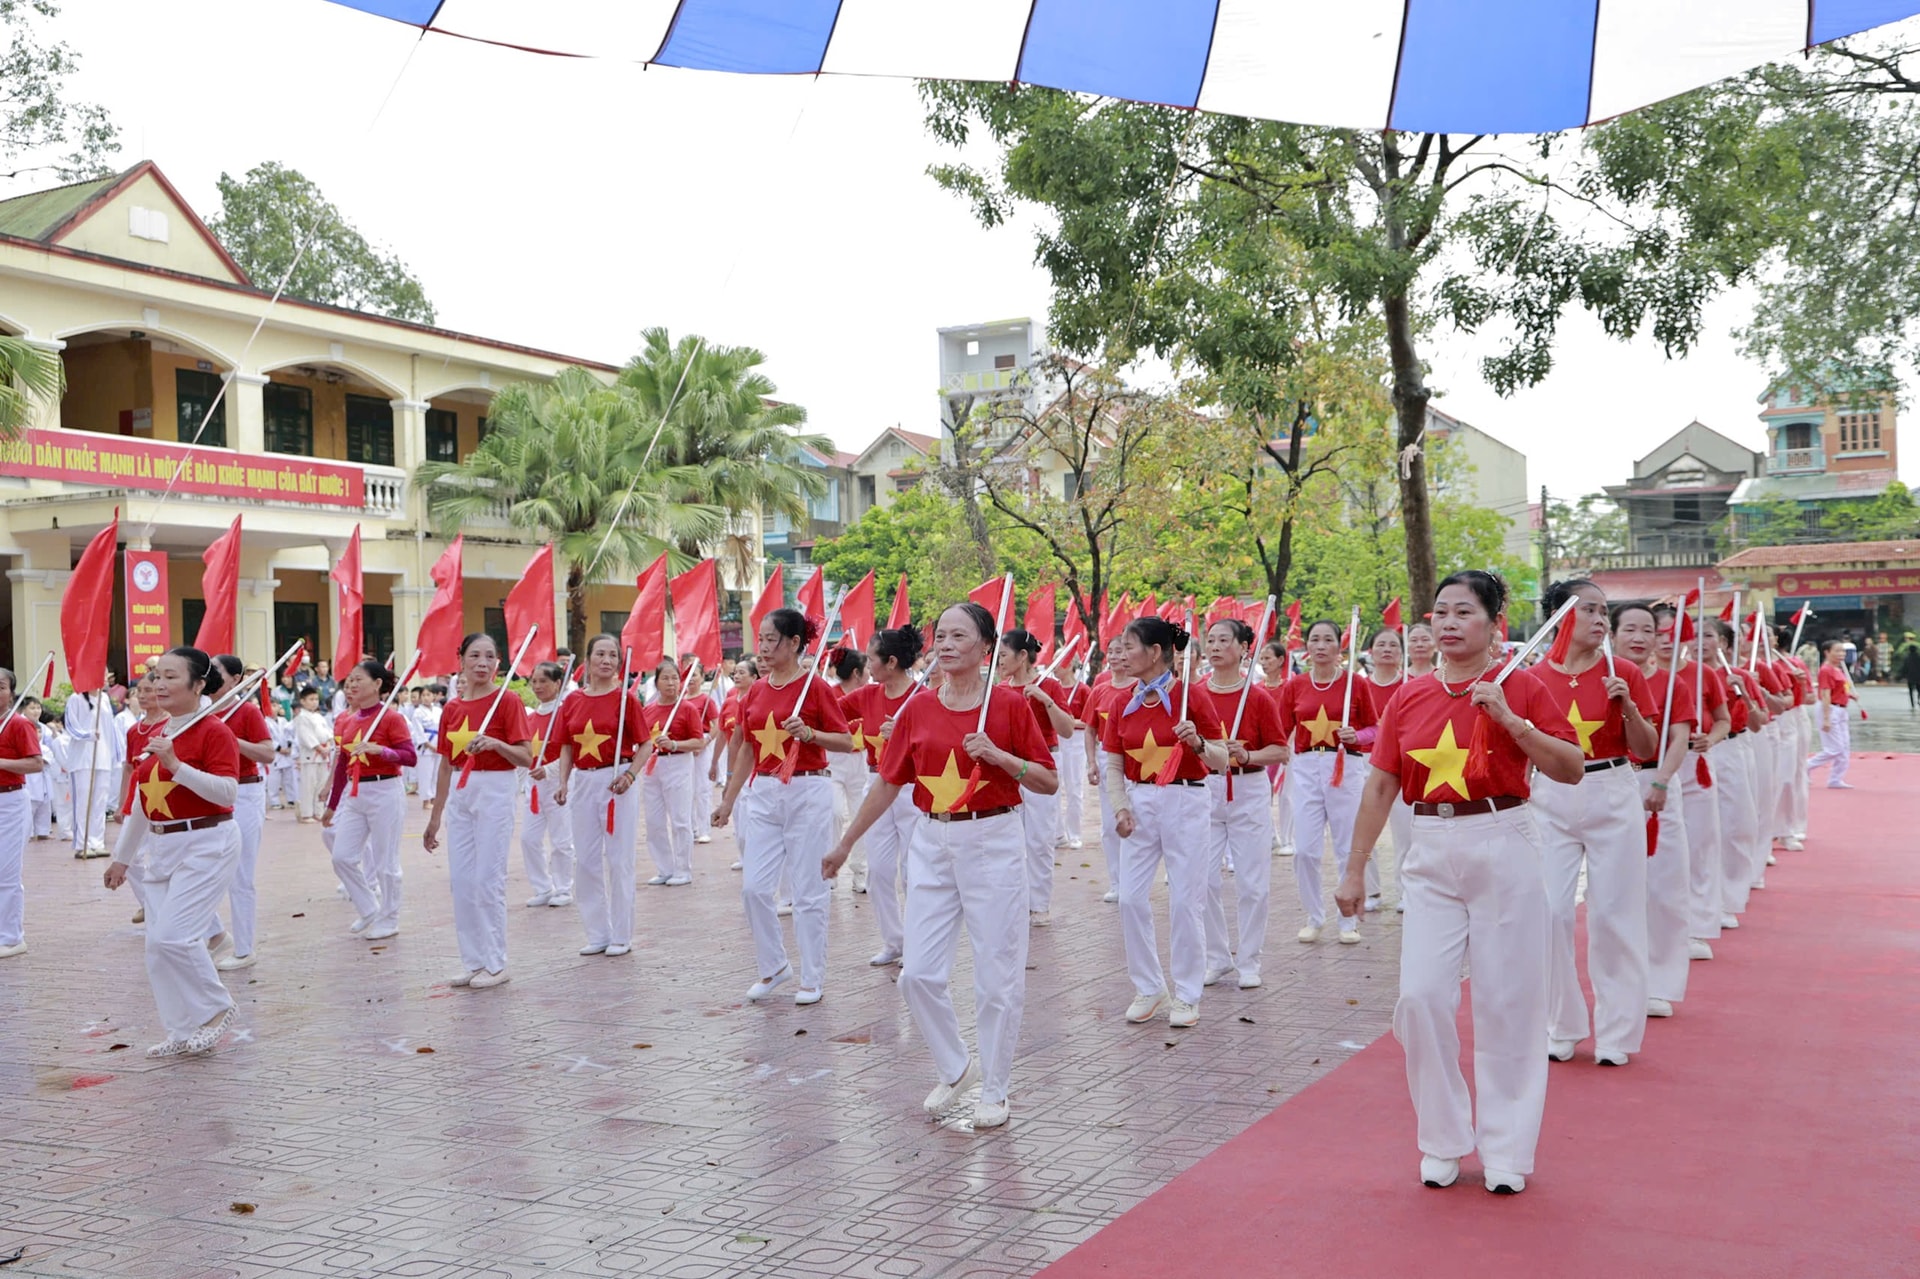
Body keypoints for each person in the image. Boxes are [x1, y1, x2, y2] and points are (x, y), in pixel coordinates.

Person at [1337, 570, 1584, 1195]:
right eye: (1440, 613)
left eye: (1464, 612)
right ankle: (1443, 1138)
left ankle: (1506, 1149)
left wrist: (1511, 721)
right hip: (1429, 846)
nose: (1447, 623)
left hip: (1503, 839)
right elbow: (1381, 784)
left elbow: (1573, 767)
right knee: (1420, 999)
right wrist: (1356, 865)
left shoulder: (1519, 686)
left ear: (1493, 624)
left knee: (1508, 1001)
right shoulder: (1409, 696)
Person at [824, 600, 1057, 1128]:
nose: (947, 645)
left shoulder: (1008, 706)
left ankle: (995, 1087)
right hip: (932, 841)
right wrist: (846, 843)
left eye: (959, 636)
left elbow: (1047, 779)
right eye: (941, 636)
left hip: (993, 839)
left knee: (996, 977)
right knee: (918, 977)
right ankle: (957, 1069)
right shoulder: (918, 708)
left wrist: (1000, 756)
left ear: (985, 648)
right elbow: (887, 780)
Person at [1528, 580, 1660, 1067]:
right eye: (1590, 610)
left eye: (1605, 611)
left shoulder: (1621, 671)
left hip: (1612, 789)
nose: (1602, 620)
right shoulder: (1534, 677)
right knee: (1551, 911)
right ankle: (1561, 1025)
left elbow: (1646, 749)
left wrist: (1626, 706)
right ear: (1561, 616)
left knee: (1614, 913)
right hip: (1551, 794)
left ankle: (1617, 1034)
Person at [102, 647, 244, 1057]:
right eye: (156, 676)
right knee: (156, 947)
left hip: (207, 842)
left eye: (170, 677)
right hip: (163, 846)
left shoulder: (214, 731)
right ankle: (181, 1028)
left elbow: (227, 792)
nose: (158, 684)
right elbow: (145, 805)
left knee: (175, 937)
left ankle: (217, 1009)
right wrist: (122, 859)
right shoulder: (159, 732)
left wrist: (177, 764)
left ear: (198, 685)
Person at [712, 608, 853, 1006]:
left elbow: (846, 742)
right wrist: (728, 800)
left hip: (807, 791)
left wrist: (809, 733)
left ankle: (812, 976)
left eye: (772, 640)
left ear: (794, 643)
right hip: (765, 793)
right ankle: (774, 967)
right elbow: (745, 748)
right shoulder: (755, 691)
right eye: (761, 639)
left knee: (808, 890)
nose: (764, 648)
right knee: (755, 889)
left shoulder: (815, 688)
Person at [1103, 615, 1214, 1028]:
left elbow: (1220, 758)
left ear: (1154, 653)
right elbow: (1114, 763)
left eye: (1130, 646)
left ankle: (1187, 994)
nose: (1122, 654)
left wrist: (1198, 743)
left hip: (1187, 799)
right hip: (1140, 801)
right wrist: (1120, 807)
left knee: (1186, 901)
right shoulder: (1120, 702)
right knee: (1131, 897)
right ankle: (1149, 987)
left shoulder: (1191, 697)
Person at [1182, 619, 1288, 991]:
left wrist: (1247, 755)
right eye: (1210, 640)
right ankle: (1217, 957)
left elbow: (1281, 750)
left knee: (1252, 882)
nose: (1214, 647)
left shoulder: (1258, 697)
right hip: (1204, 791)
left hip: (1248, 791)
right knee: (1205, 880)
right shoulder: (1192, 694)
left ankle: (1250, 960)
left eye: (1224, 640)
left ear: (1244, 648)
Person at [425, 635, 531, 988]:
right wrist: (435, 816)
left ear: (499, 663)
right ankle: (473, 960)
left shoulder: (508, 701)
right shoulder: (452, 709)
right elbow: (443, 764)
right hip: (460, 790)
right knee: (463, 881)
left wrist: (497, 744)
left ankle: (496, 963)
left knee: (488, 879)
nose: (482, 662)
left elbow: (526, 757)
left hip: (496, 788)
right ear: (462, 661)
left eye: (489, 656)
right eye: (475, 655)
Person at [1276, 620, 1377, 945]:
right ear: (1307, 647)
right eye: (1315, 640)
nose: (1321, 646)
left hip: (1344, 765)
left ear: (1339, 646)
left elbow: (1375, 729)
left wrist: (1356, 735)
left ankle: (1347, 919)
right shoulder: (1296, 686)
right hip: (1305, 766)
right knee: (1305, 849)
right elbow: (1279, 730)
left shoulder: (1355, 685)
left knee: (1347, 845)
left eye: (1328, 640)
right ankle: (1313, 915)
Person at [1615, 604, 1694, 1018]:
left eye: (1647, 629)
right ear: (1613, 635)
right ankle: (1623, 982)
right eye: (1630, 629)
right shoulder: (1599, 681)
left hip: (1657, 783)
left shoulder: (1671, 683)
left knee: (1664, 886)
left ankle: (1660, 982)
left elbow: (1679, 736)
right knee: (1619, 891)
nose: (1639, 637)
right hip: (1612, 785)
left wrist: (1662, 780)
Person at [552, 635, 646, 958]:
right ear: (588, 659)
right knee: (587, 861)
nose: (606, 660)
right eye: (600, 654)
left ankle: (622, 934)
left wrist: (630, 774)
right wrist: (563, 782)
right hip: (584, 782)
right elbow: (566, 745)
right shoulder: (573, 701)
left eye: (612, 655)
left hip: (616, 780)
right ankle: (598, 933)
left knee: (619, 859)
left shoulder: (626, 700)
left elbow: (646, 744)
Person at [840, 626, 924, 966]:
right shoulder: (867, 696)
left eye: (872, 659)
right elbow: (829, 711)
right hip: (876, 786)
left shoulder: (924, 697)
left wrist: (908, 732)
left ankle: (918, 945)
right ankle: (894, 940)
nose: (867, 665)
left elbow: (940, 742)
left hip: (913, 789)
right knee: (879, 870)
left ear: (891, 662)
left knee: (913, 872)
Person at [1650, 604, 1728, 963]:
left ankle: (1699, 925)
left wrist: (1709, 740)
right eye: (1659, 634)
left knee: (1699, 845)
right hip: (1648, 771)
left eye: (1673, 634)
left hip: (1692, 767)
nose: (1666, 642)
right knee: (1663, 858)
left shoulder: (1702, 675)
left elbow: (1723, 721)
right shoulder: (1636, 675)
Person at [325, 659, 416, 943]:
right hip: (355, 794)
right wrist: (331, 804)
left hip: (385, 791)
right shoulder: (349, 721)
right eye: (349, 680)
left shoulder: (392, 718)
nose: (351, 684)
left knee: (385, 860)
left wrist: (382, 751)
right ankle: (368, 908)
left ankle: (390, 918)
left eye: (358, 679)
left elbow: (409, 756)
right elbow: (342, 766)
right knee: (341, 856)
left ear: (377, 684)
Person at [997, 628, 1075, 927]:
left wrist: (1046, 700)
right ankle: (1015, 899)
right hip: (1009, 765)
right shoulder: (1001, 690)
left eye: (1004, 655)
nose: (1000, 661)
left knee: (1039, 837)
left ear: (1022, 656)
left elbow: (1067, 730)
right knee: (1009, 837)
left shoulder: (1050, 686)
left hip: (1043, 762)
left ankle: (1039, 903)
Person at [207, 656, 278, 971]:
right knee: (198, 867)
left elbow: (267, 752)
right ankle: (214, 934)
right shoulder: (200, 712)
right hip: (208, 793)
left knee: (240, 874)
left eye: (217, 671)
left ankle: (245, 948)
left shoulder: (247, 711)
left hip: (245, 792)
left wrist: (232, 741)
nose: (209, 675)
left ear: (235, 678)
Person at [641, 659, 708, 888]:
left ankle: (683, 869)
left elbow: (699, 741)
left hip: (678, 764)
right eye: (665, 678)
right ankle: (664, 868)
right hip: (651, 766)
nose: (671, 683)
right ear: (656, 682)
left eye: (675, 678)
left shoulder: (687, 708)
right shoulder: (648, 709)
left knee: (680, 820)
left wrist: (675, 744)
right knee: (654, 821)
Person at [1085, 636, 1137, 904]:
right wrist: (1092, 761)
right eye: (1112, 652)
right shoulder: (1100, 689)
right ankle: (1117, 882)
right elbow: (1091, 728)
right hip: (1108, 757)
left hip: (1138, 757)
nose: (1116, 656)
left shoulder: (1142, 687)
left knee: (1140, 819)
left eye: (1122, 651)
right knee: (1110, 823)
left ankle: (1136, 879)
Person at [0, 667, 48, 959]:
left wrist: (1, 762)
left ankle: (12, 936)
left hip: (10, 804)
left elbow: (35, 764)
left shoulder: (19, 724)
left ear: (11, 692)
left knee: (6, 871)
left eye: (1, 686)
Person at [521, 661, 575, 908]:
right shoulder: (530, 717)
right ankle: (543, 887)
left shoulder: (565, 713)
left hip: (559, 782)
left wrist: (551, 770)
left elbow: (572, 750)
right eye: (534, 681)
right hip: (534, 786)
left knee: (561, 839)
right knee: (529, 839)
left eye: (544, 681)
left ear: (557, 684)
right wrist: (524, 782)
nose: (538, 686)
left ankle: (564, 887)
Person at [1364, 629, 1410, 912]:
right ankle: (1371, 891)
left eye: (1393, 645)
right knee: (1367, 830)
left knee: (1406, 834)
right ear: (1371, 651)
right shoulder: (1357, 687)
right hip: (1366, 766)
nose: (1387, 649)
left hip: (1404, 767)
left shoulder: (1411, 685)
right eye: (1381, 644)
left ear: (1401, 653)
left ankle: (1406, 890)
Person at [826, 647, 872, 893]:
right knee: (833, 814)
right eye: (867, 669)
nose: (870, 673)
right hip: (833, 760)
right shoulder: (830, 694)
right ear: (856, 672)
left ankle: (860, 872)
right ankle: (830, 870)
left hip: (861, 761)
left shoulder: (870, 694)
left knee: (860, 816)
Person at [62, 687, 122, 856]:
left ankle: (97, 842)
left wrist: (116, 755)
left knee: (99, 802)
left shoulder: (104, 698)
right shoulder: (76, 698)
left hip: (102, 757)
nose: (104, 676)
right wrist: (87, 735)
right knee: (82, 802)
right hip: (82, 758)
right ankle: (82, 844)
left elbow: (110, 728)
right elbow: (70, 725)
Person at [1256, 640, 1297, 860]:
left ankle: (1288, 838)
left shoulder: (1289, 687)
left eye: (1268, 658)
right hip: (1263, 748)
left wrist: (1287, 743)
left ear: (1281, 660)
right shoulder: (1257, 690)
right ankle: (1270, 835)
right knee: (1263, 790)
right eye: (1262, 658)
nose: (1264, 663)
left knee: (1286, 793)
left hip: (1287, 745)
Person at [1806, 639, 1856, 790]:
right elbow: (1825, 694)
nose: (1841, 654)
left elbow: (1839, 690)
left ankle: (1835, 779)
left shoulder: (1838, 669)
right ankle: (1804, 767)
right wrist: (1826, 718)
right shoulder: (1826, 670)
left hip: (1841, 709)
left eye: (1843, 651)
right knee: (1834, 748)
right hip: (1829, 709)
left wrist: (1850, 696)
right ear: (1827, 652)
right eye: (1837, 651)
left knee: (1844, 747)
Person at [1055, 658, 1090, 851]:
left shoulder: (1083, 690)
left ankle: (1074, 833)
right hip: (1057, 740)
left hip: (1076, 741)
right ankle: (1058, 833)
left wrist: (1069, 721)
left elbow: (1090, 721)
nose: (1056, 667)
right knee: (1054, 787)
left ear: (1069, 666)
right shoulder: (1053, 688)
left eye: (1059, 663)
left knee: (1074, 788)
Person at [293, 688, 333, 821]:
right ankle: (306, 814)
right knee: (309, 786)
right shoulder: (301, 717)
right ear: (302, 701)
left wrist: (327, 745)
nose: (314, 702)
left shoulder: (319, 716)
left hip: (323, 756)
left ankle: (319, 812)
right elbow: (306, 737)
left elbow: (328, 734)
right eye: (311, 699)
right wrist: (320, 749)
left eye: (316, 699)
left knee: (321, 784)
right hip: (310, 756)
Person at [21, 698, 54, 841]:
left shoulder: (44, 728)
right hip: (28, 775)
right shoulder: (20, 724)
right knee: (29, 805)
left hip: (43, 776)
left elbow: (49, 751)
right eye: (32, 708)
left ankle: (43, 831)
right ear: (24, 709)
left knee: (44, 805)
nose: (36, 711)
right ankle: (28, 832)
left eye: (38, 708)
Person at [415, 685, 444, 809]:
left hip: (439, 743)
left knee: (436, 773)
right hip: (426, 746)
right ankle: (425, 800)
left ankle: (434, 798)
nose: (426, 698)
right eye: (423, 695)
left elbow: (443, 727)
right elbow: (418, 732)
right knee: (425, 773)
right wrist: (429, 745)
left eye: (428, 695)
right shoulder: (418, 712)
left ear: (434, 696)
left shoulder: (439, 710)